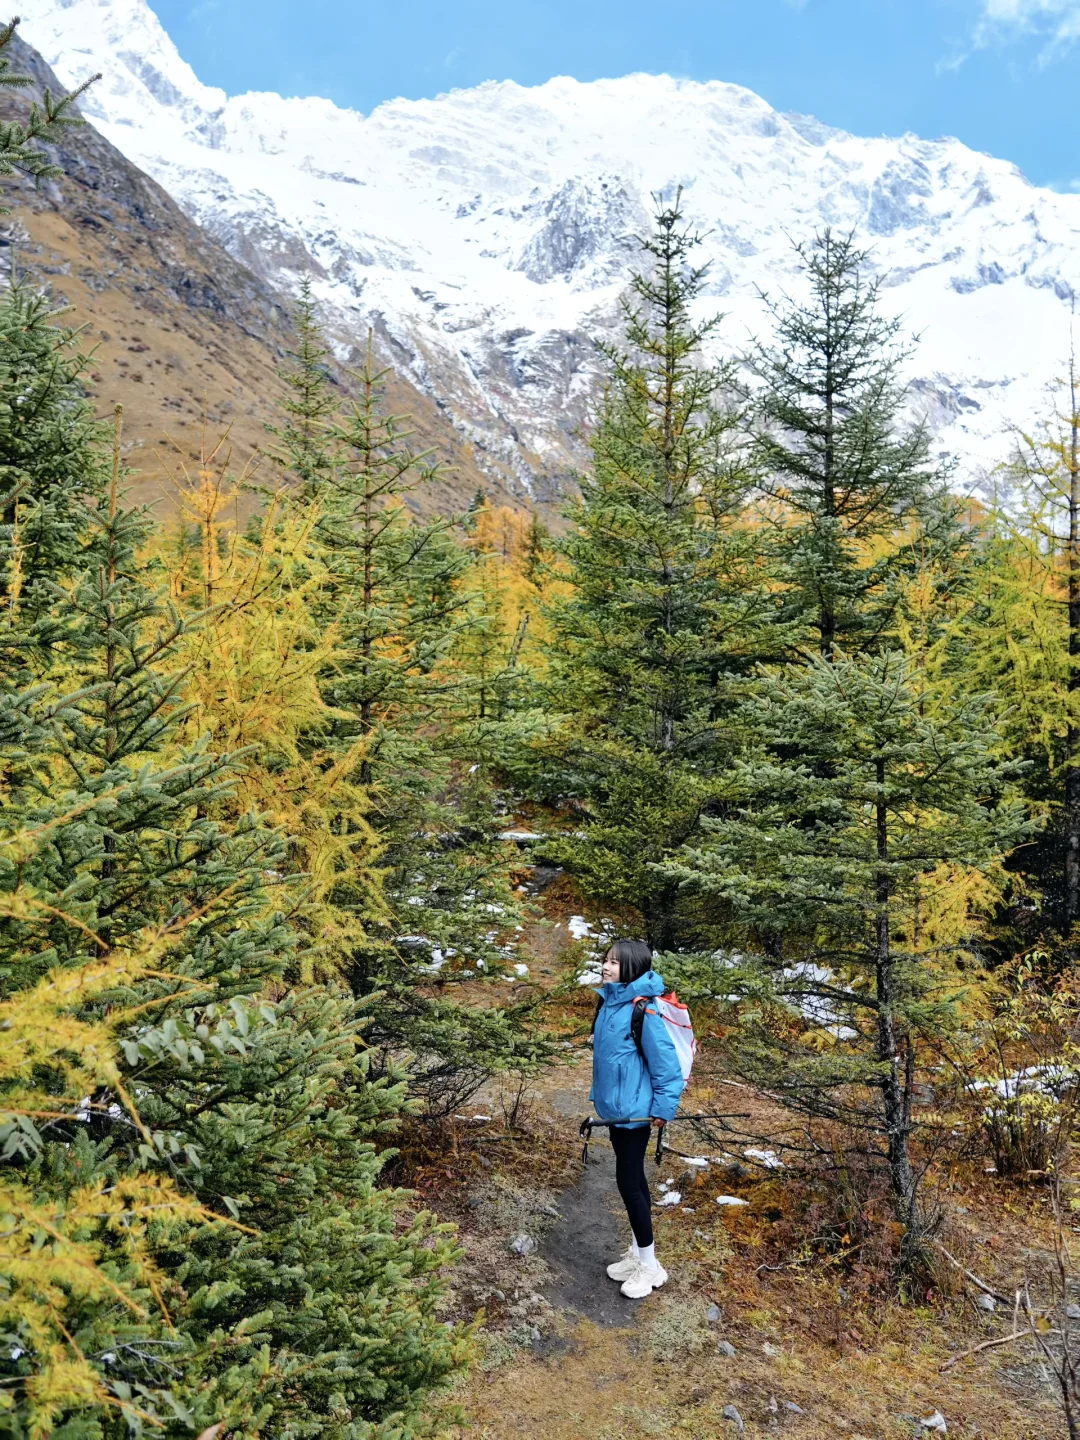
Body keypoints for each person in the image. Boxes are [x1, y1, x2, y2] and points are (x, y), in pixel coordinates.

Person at [590, 939, 685, 1298]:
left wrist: (662, 1109)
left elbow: (666, 1067)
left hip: (637, 1112)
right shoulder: (610, 1001)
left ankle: (649, 1267)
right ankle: (639, 1254)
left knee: (629, 1184)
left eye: (614, 963)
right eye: (605, 960)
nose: (606, 966)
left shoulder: (643, 1010)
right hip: (616, 1110)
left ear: (632, 967)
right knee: (635, 1182)